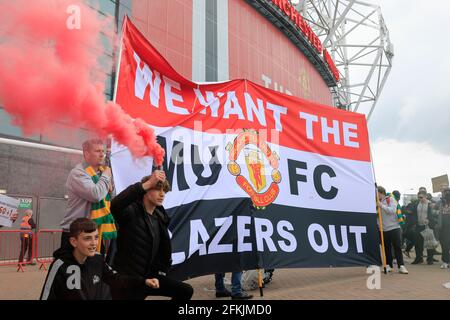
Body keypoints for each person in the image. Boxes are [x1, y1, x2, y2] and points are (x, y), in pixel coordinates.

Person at [109, 170, 193, 301]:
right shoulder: (130, 212)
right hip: (128, 281)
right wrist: (148, 184)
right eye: (157, 189)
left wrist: (161, 271)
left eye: (164, 190)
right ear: (146, 191)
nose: (162, 194)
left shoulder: (160, 216)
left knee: (185, 291)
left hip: (150, 277)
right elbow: (115, 205)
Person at [40, 218, 159, 300]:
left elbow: (116, 279)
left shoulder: (98, 259)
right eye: (87, 238)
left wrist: (143, 281)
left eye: (96, 238)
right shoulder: (60, 265)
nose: (94, 243)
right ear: (73, 241)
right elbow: (46, 297)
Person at [60, 139, 116, 263]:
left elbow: (110, 201)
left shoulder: (102, 174)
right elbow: (96, 194)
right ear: (86, 154)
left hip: (96, 233)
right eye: (97, 151)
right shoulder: (77, 173)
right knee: (70, 274)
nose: (102, 154)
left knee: (92, 276)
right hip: (75, 233)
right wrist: (106, 177)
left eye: (103, 151)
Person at [377, 186, 408, 274]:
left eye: (377, 193)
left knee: (397, 247)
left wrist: (381, 205)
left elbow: (392, 211)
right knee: (386, 248)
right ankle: (388, 265)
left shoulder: (390, 199)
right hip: (383, 229)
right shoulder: (377, 202)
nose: (375, 195)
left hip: (394, 227)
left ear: (380, 193)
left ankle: (401, 266)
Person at [411, 191, 436, 264]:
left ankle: (430, 259)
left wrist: (429, 219)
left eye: (421, 197)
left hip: (428, 226)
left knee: (429, 243)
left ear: (425, 197)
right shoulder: (416, 204)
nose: (420, 199)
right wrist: (415, 222)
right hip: (419, 226)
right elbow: (414, 214)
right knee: (418, 243)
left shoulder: (430, 204)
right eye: (418, 197)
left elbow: (433, 214)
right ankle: (419, 258)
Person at [438, 187, 450, 269]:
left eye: (448, 192)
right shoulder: (440, 202)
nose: (447, 194)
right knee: (444, 245)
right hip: (443, 227)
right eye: (445, 192)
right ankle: (445, 261)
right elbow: (432, 210)